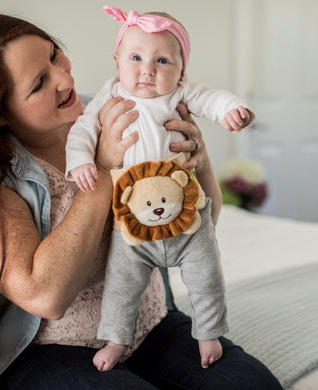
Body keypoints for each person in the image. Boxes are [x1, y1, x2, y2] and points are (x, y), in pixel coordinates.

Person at [0, 11, 283, 390]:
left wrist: (198, 158)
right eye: (39, 84)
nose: (66, 79)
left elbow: (204, 222)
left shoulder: (109, 109)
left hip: (148, 320)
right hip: (50, 350)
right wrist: (102, 169)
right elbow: (46, 297)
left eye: (53, 55)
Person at [64, 6, 255, 371]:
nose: (148, 69)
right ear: (117, 60)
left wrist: (233, 110)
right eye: (135, 57)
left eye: (163, 60)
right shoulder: (110, 97)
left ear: (182, 70)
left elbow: (212, 99)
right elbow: (84, 130)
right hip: (132, 221)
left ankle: (208, 332)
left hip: (188, 216)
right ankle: (117, 339)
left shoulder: (180, 94)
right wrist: (81, 162)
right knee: (122, 284)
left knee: (206, 274)